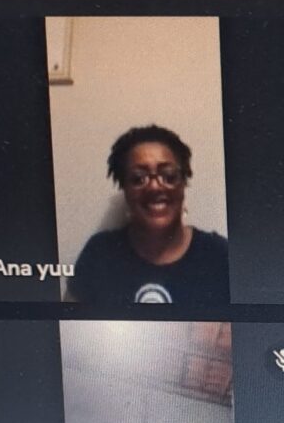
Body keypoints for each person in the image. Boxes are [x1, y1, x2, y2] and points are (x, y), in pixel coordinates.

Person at [69, 125, 231, 304]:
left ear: (183, 183)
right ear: (125, 188)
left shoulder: (219, 256)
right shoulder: (99, 255)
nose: (154, 187)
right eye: (138, 178)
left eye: (168, 176)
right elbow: (67, 319)